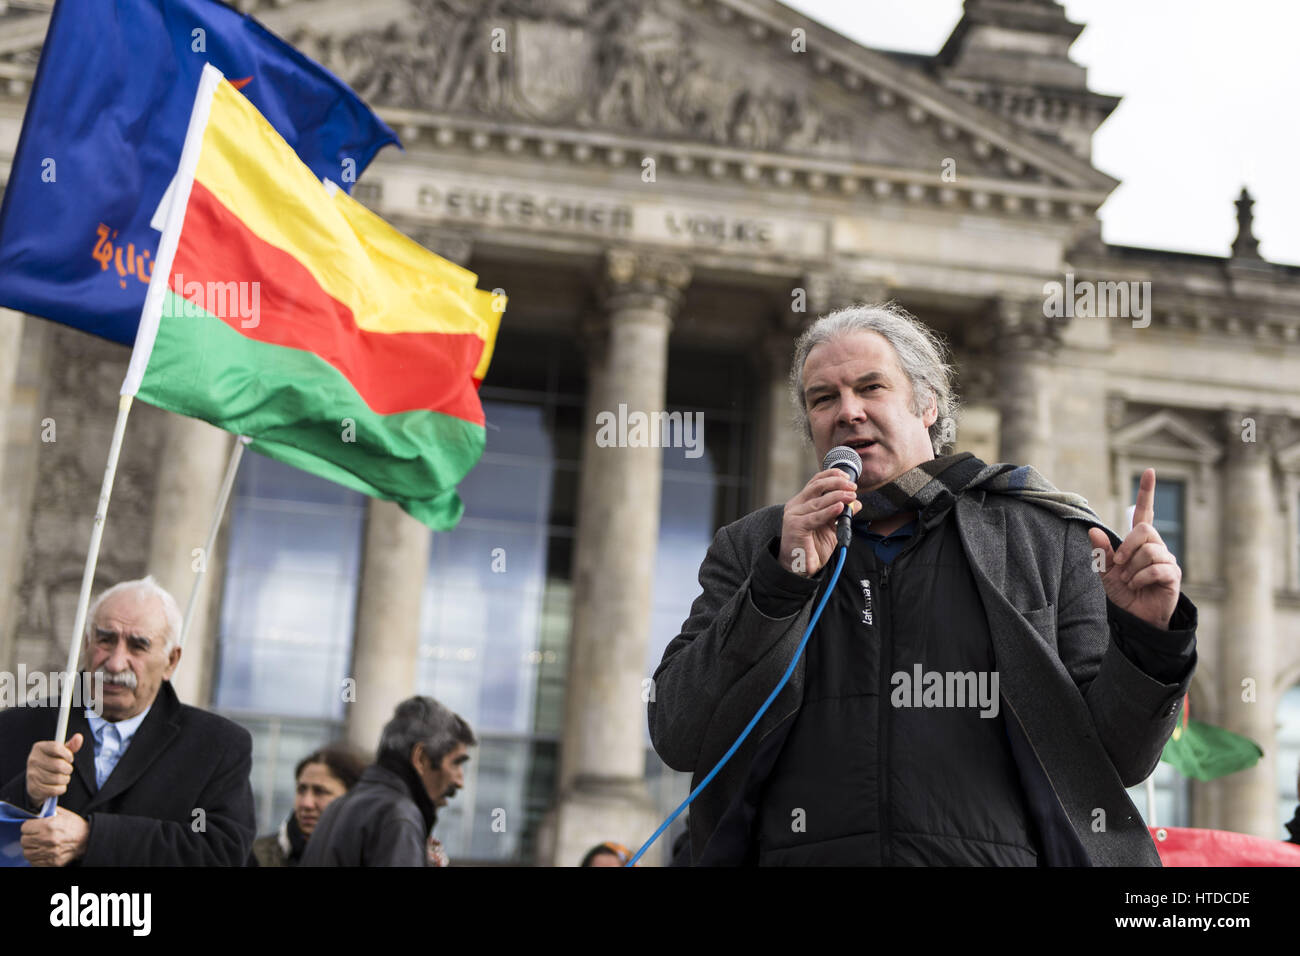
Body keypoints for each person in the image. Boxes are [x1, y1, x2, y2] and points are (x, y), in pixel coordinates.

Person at [648, 303, 1198, 866]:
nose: (848, 412)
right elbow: (678, 731)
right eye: (823, 398)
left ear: (928, 403)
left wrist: (1147, 637)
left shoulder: (1043, 537)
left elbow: (1115, 760)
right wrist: (775, 586)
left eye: (870, 387)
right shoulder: (752, 549)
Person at [0, 576, 255, 866]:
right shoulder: (15, 728)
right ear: (86, 644)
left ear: (171, 661)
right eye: (106, 640)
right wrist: (26, 794)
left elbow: (222, 853)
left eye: (138, 646)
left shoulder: (218, 746)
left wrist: (91, 837)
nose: (116, 662)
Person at [302, 695, 474, 866]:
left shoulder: (337, 807)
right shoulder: (397, 816)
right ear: (420, 758)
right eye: (456, 763)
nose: (460, 781)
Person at [250, 744, 365, 867]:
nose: (306, 803)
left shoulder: (369, 856)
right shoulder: (257, 856)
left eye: (320, 791)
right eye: (301, 790)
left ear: (351, 798)